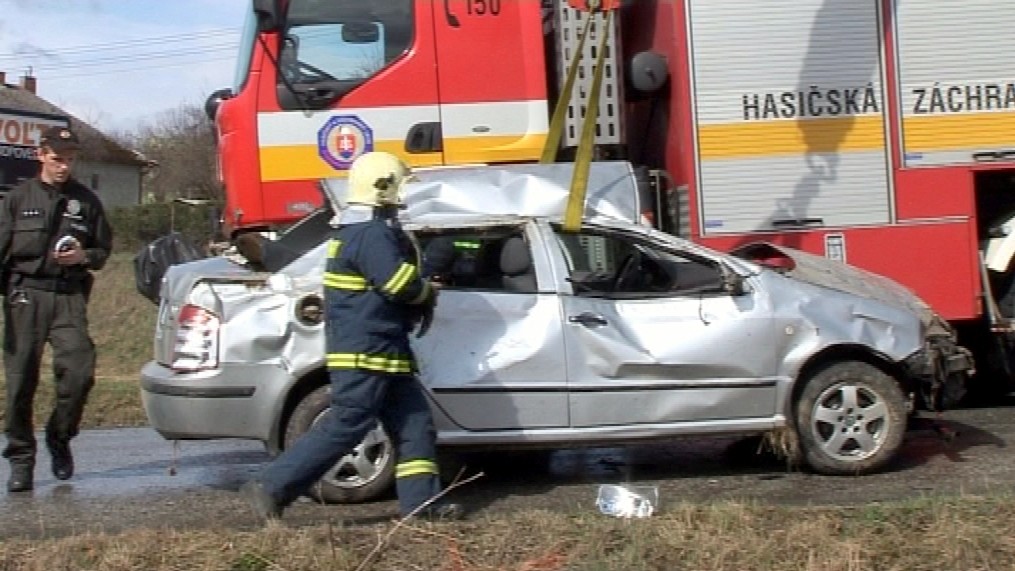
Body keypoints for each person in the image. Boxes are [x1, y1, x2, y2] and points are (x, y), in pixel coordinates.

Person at [240, 151, 462, 521]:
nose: (403, 196)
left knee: (415, 426)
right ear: (382, 189)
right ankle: (271, 487)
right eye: (400, 186)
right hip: (367, 353)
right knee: (348, 423)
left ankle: (422, 506)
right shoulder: (371, 235)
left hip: (385, 351)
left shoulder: (361, 232)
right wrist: (427, 290)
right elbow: (398, 285)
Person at [0, 126, 113, 493]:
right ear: (41, 155)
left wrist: (84, 256)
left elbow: (102, 251)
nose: (64, 166)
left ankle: (59, 436)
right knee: (20, 382)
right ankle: (21, 458)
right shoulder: (17, 199)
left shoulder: (86, 201)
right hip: (26, 295)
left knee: (79, 372)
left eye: (70, 160)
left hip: (67, 295)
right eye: (57, 159)